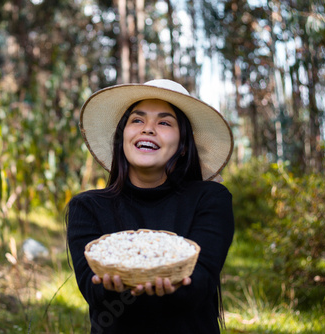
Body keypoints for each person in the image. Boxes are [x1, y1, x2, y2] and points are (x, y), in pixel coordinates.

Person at [66, 79, 235, 333]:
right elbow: (93, 290)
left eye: (164, 122)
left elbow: (200, 283)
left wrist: (159, 284)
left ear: (183, 145)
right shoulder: (87, 207)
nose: (148, 129)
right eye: (137, 120)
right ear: (122, 137)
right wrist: (117, 286)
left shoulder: (211, 199)